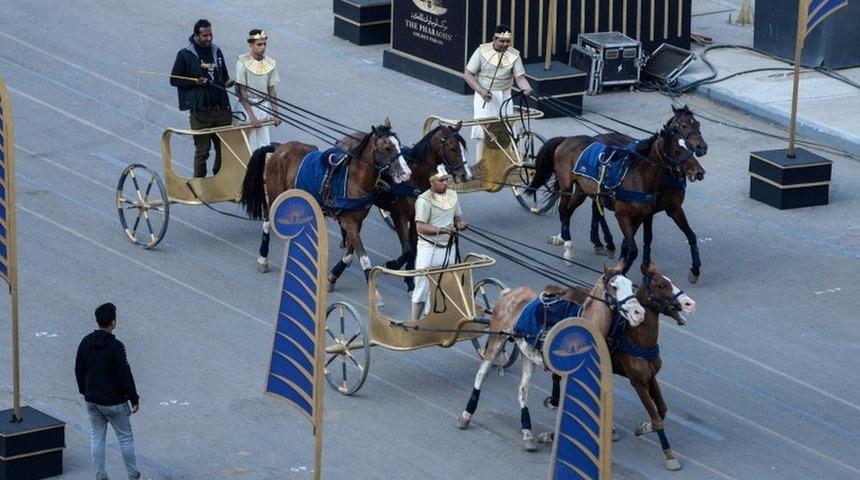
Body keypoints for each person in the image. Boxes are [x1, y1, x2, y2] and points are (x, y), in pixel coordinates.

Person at [75, 303, 141, 480]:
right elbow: (124, 374)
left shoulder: (86, 342)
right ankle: (133, 474)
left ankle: (100, 475)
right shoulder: (116, 347)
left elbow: (78, 368)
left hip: (93, 400)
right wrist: (134, 398)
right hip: (115, 402)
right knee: (125, 438)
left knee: (97, 438)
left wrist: (85, 390)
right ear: (112, 322)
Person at [170, 19, 235, 177]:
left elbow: (224, 76)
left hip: (221, 110)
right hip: (200, 112)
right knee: (203, 151)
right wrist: (195, 83)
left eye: (211, 34)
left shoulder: (217, 52)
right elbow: (174, 79)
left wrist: (229, 82)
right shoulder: (185, 55)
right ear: (196, 35)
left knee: (224, 149)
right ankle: (199, 183)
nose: (209, 38)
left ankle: (219, 178)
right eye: (205, 35)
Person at [463, 24, 533, 167]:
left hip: (505, 96)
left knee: (506, 130)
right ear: (494, 39)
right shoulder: (481, 51)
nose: (505, 44)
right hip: (485, 96)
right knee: (484, 131)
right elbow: (468, 74)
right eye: (502, 41)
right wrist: (481, 91)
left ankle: (505, 163)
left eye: (507, 41)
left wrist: (526, 88)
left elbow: (520, 78)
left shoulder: (514, 55)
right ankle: (480, 165)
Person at [411, 165, 468, 321]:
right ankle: (415, 322)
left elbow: (456, 218)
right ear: (432, 182)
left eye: (446, 180)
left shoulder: (453, 195)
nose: (445, 183)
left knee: (443, 285)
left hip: (448, 247)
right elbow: (420, 227)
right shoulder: (424, 200)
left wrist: (460, 224)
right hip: (428, 248)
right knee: (422, 286)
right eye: (441, 180)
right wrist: (442, 230)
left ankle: (432, 319)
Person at [235, 29, 282, 151]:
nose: (263, 47)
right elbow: (242, 92)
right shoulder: (241, 64)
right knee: (248, 148)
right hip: (246, 109)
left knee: (264, 146)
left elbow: (271, 90)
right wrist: (252, 117)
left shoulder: (270, 64)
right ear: (251, 45)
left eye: (264, 44)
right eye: (259, 44)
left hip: (263, 107)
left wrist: (276, 114)